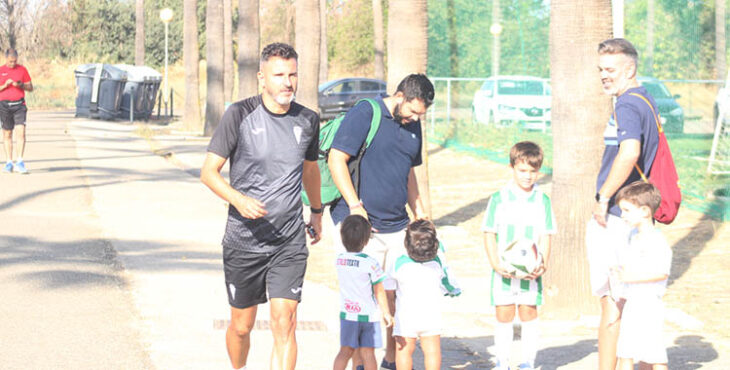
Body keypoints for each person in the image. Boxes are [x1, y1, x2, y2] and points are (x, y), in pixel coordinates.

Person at [200, 42, 323, 370]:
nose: (288, 82)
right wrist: (238, 199)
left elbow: (311, 170)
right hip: (244, 241)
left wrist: (317, 210)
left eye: (293, 74)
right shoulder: (239, 114)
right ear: (261, 78)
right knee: (241, 327)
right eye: (279, 74)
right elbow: (208, 172)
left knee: (285, 322)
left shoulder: (309, 120)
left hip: (289, 241)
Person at [327, 73, 434, 370]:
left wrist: (420, 212)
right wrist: (354, 206)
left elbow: (409, 171)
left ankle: (389, 359)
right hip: (361, 229)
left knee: (395, 296)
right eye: (412, 111)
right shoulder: (366, 113)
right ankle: (362, 363)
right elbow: (337, 158)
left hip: (397, 226)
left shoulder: (414, 125)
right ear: (400, 96)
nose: (415, 118)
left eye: (421, 114)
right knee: (365, 303)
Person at [588, 38, 661, 370]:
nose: (604, 75)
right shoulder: (646, 101)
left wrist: (604, 197)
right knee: (636, 304)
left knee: (613, 304)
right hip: (638, 217)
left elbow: (629, 152)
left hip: (619, 215)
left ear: (629, 69)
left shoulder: (628, 105)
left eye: (610, 69)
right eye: (601, 69)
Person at [481, 141, 555, 370]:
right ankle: (502, 362)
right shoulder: (499, 198)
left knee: (528, 313)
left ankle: (527, 363)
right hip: (503, 270)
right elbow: (489, 232)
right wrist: (494, 262)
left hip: (530, 272)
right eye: (522, 170)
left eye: (533, 171)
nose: (528, 176)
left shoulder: (542, 201)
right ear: (512, 167)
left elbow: (547, 234)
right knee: (504, 315)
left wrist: (542, 262)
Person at [383, 219, 461, 370]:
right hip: (431, 313)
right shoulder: (438, 257)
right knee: (432, 351)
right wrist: (454, 291)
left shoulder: (396, 257)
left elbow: (389, 290)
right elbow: (449, 282)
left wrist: (391, 311)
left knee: (404, 351)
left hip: (405, 314)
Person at [610, 181, 671, 370]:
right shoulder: (632, 236)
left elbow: (661, 272)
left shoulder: (657, 240)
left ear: (645, 211)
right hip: (632, 303)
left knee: (654, 354)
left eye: (627, 210)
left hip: (649, 304)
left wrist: (629, 278)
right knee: (625, 352)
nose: (622, 215)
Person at [333, 215, 394, 370]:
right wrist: (386, 313)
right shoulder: (370, 263)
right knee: (368, 354)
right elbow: (379, 290)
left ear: (342, 237)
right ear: (367, 241)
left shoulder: (340, 260)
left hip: (348, 314)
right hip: (368, 316)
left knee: (345, 352)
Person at [1, 48, 33, 174]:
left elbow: (30, 87)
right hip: (4, 106)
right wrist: (5, 85)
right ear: (6, 59)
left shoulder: (22, 70)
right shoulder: (1, 70)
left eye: (14, 61)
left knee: (21, 133)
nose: (12, 64)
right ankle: (9, 162)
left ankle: (20, 161)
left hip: (19, 105)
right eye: (10, 62)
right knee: (7, 134)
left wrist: (21, 85)